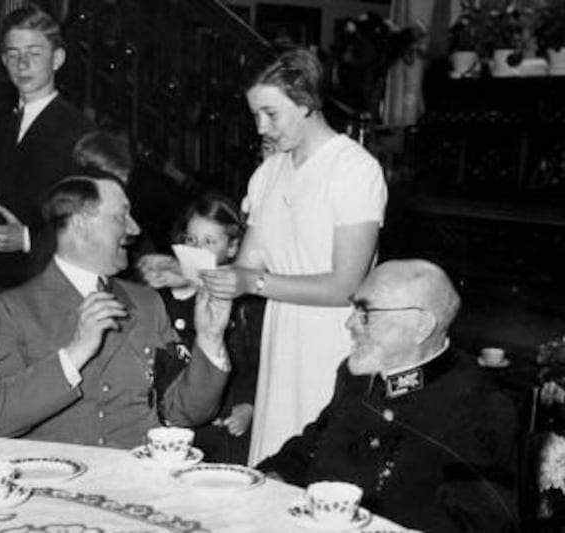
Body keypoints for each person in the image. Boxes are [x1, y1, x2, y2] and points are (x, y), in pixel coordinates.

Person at [200, 48, 388, 465]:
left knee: (323, 464)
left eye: (271, 114)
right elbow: (248, 265)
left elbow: (347, 286)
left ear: (306, 104)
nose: (261, 127)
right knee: (276, 461)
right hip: (283, 336)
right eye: (255, 115)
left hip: (336, 340)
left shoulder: (353, 170)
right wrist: (193, 272)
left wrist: (253, 283)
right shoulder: (268, 173)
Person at [257, 260, 519, 532]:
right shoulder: (357, 375)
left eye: (366, 313)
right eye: (354, 308)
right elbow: (312, 447)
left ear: (422, 326)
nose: (349, 323)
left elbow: (477, 524)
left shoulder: (479, 404)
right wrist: (266, 481)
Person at [0, 175, 232, 448]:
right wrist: (75, 353)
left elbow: (183, 413)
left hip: (134, 479)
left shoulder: (147, 302)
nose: (135, 228)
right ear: (82, 225)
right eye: (121, 217)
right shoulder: (12, 309)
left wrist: (210, 339)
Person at [0, 3, 93, 292]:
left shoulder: (80, 133)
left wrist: (26, 239)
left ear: (57, 59)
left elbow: (91, 225)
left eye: (34, 53)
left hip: (46, 286)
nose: (22, 64)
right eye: (13, 54)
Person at [139, 192, 264, 464]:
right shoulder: (164, 296)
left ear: (232, 248)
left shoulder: (245, 306)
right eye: (191, 240)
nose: (197, 250)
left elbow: (260, 363)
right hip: (170, 427)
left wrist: (249, 404)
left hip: (223, 428)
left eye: (209, 242)